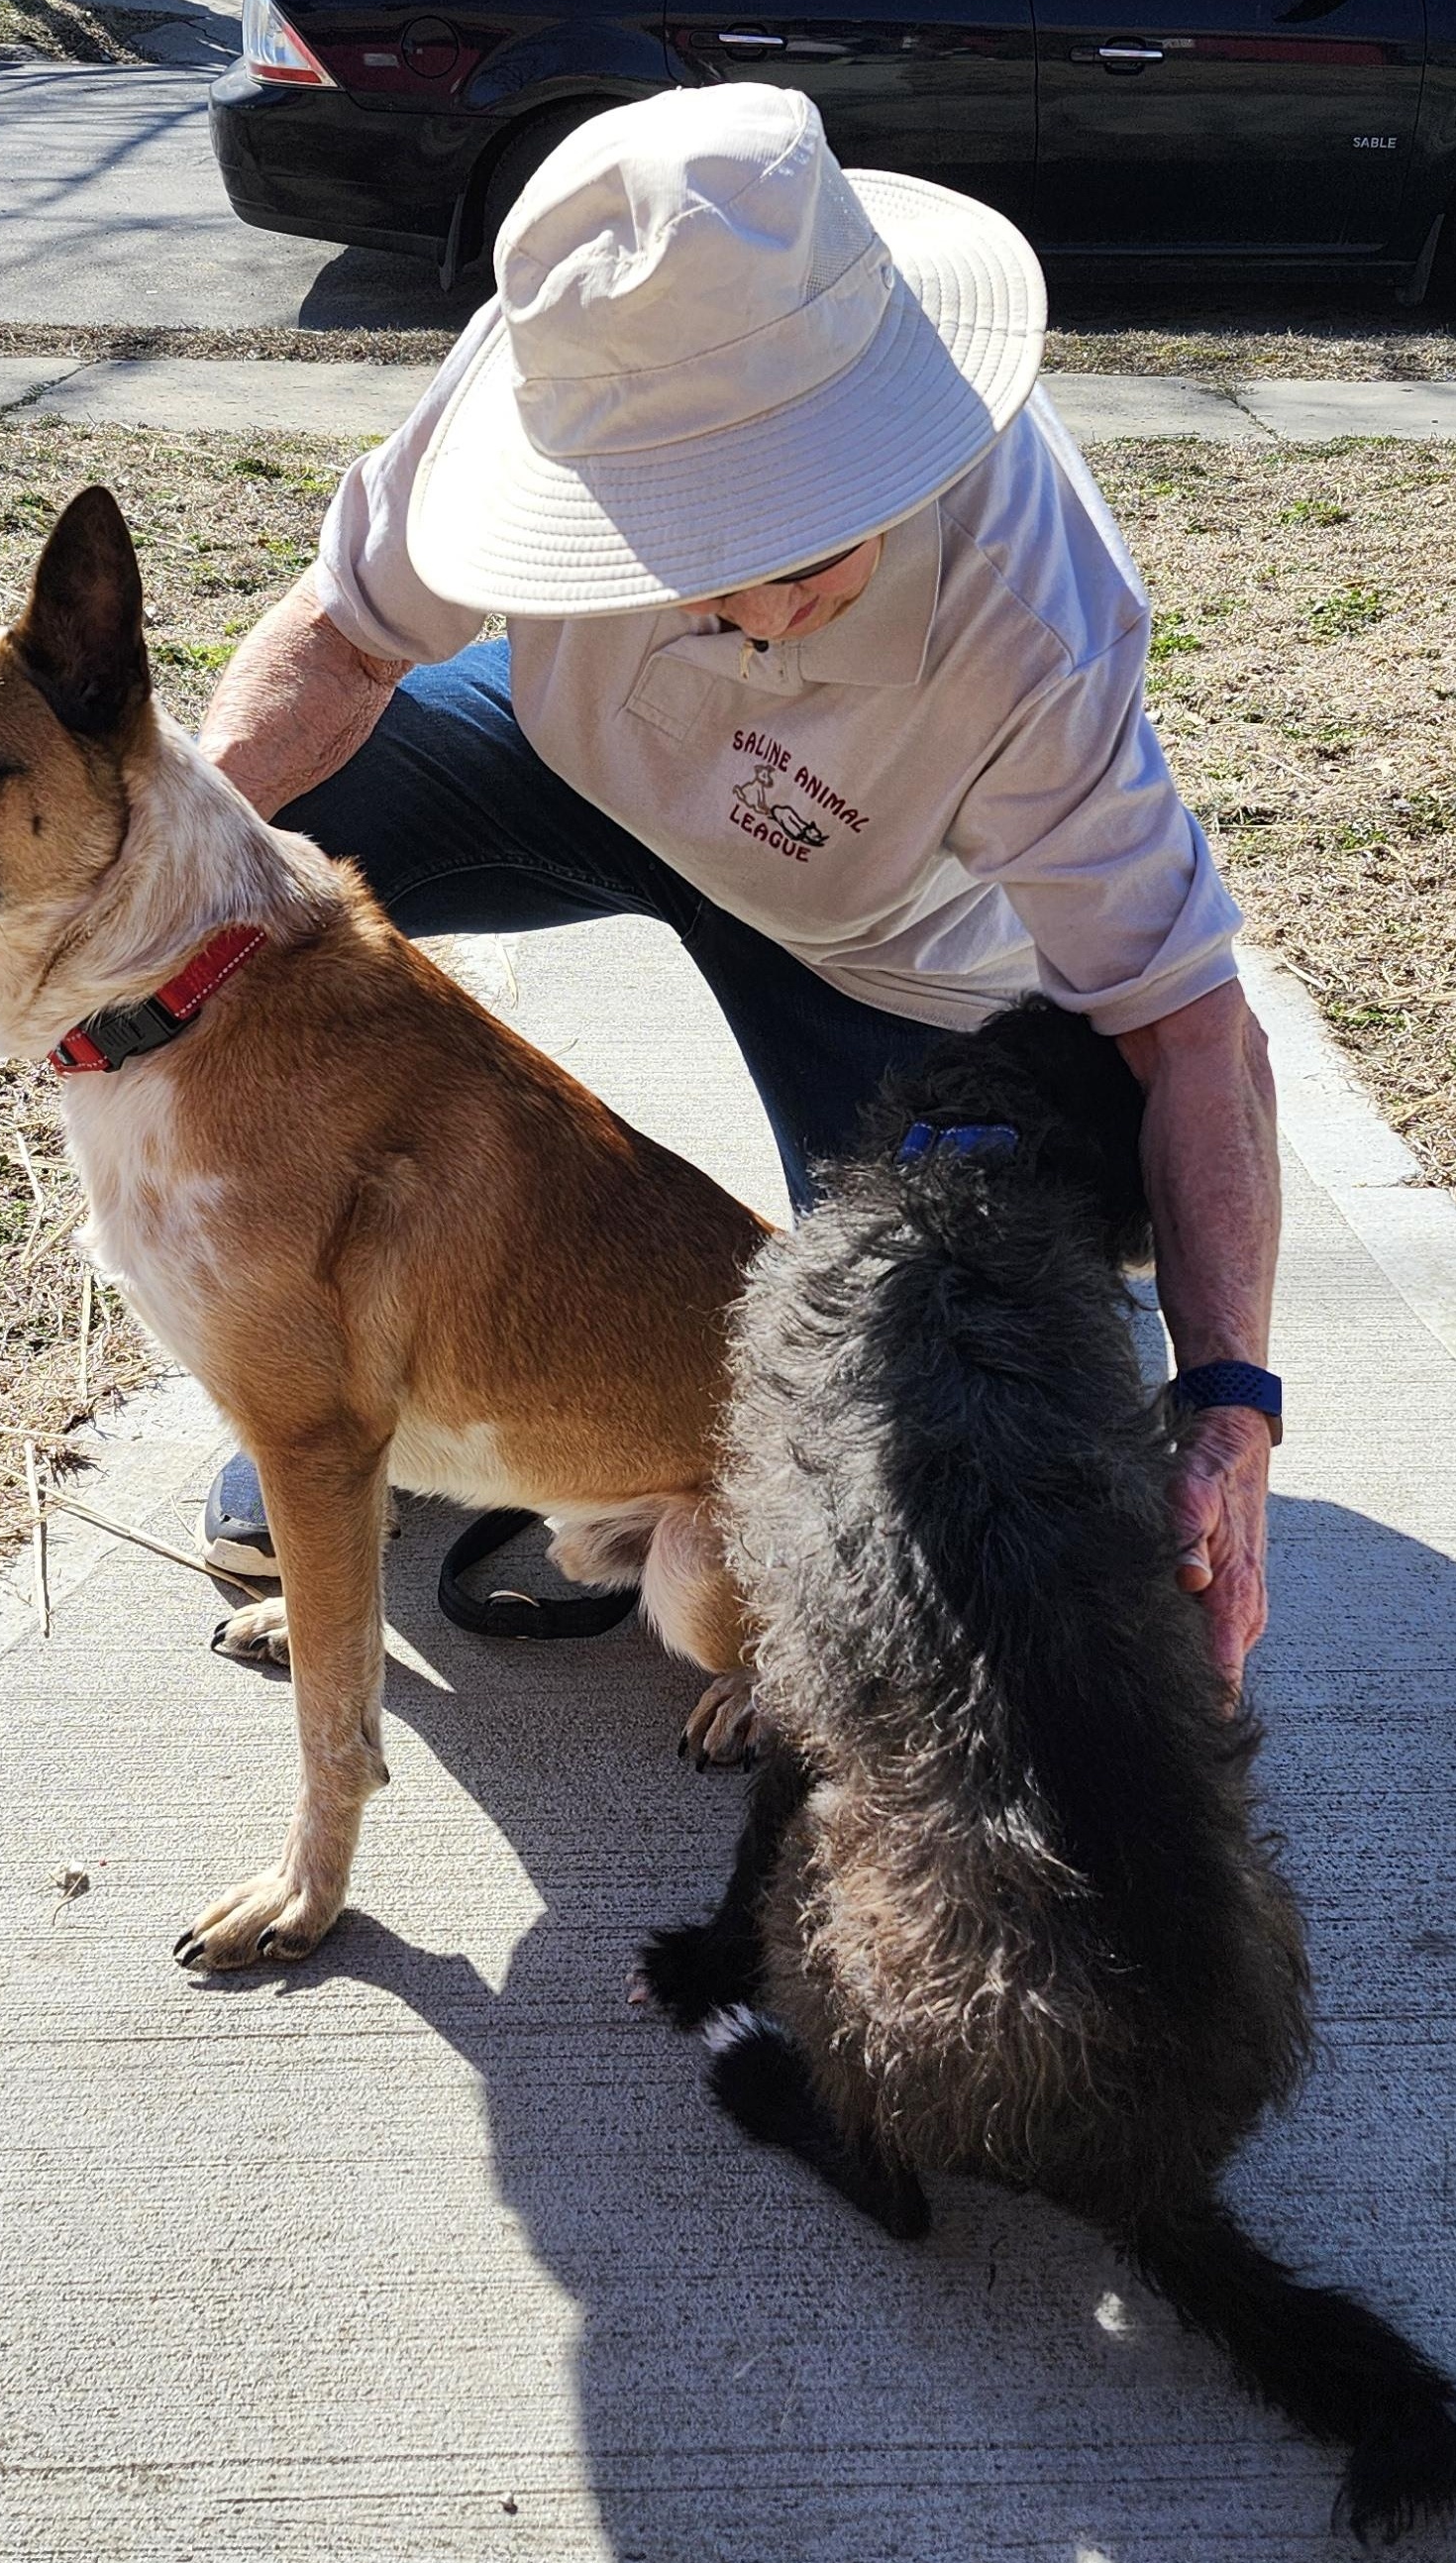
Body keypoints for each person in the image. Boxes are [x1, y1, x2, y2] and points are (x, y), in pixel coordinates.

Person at [197, 85, 1283, 1691]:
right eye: (657, 538)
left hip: (876, 952)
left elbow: (1193, 1033)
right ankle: (355, 1368)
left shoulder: (1035, 619)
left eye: (788, 551)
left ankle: (1056, 1313)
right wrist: (173, 889)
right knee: (256, 847)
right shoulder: (566, 356)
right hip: (581, 769)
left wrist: (1232, 1402)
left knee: (914, 1423)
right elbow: (345, 637)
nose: (729, 596)